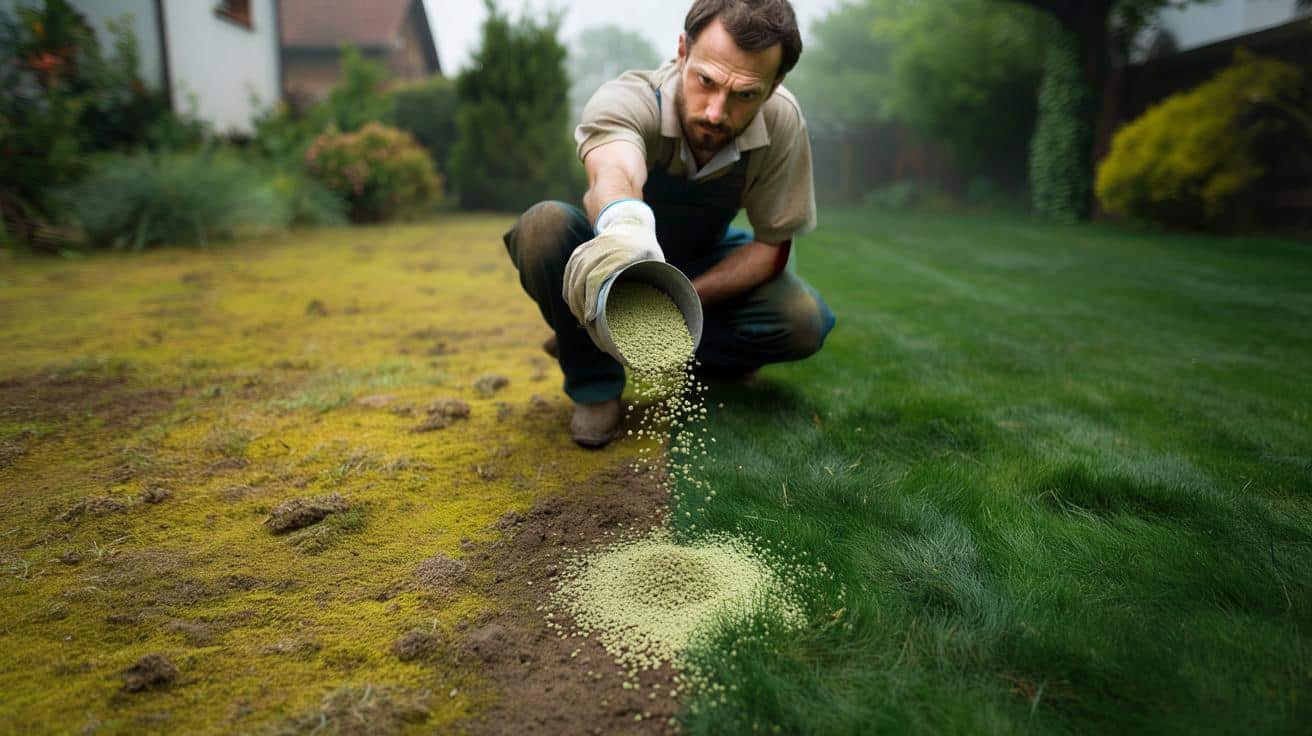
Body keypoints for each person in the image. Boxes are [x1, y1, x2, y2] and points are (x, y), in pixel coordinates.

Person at [504, 0, 835, 448]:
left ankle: (620, 340)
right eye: (706, 81)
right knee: (543, 227)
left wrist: (675, 304)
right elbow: (615, 171)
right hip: (615, 255)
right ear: (682, 52)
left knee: (803, 320)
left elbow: (771, 248)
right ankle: (594, 384)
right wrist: (626, 228)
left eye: (744, 95)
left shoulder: (782, 123)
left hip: (703, 260)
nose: (715, 112)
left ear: (774, 85)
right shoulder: (628, 100)